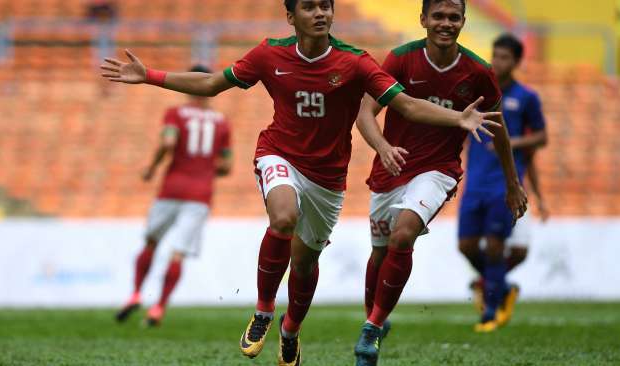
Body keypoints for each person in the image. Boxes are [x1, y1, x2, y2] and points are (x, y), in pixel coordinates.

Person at [101, 0, 501, 363]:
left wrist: (458, 118)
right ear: (291, 17)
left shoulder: (355, 62)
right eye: (309, 8)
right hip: (280, 154)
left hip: (328, 179)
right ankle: (262, 312)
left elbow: (406, 105)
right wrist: (150, 75)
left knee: (306, 261)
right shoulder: (268, 53)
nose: (320, 14)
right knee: (283, 218)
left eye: (325, 7)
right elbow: (212, 84)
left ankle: (290, 330)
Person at [352, 1, 528, 364]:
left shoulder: (478, 71)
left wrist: (513, 183)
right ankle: (376, 318)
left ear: (463, 21)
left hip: (438, 169)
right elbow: (365, 113)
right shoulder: (401, 60)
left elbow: (499, 131)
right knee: (380, 252)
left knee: (403, 235)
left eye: (454, 17)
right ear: (423, 20)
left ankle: (371, 327)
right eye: (439, 16)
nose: (446, 24)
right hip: (392, 167)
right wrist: (383, 146)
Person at [115, 65, 232, 326]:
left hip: (172, 187)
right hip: (200, 194)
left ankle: (135, 293)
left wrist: (151, 167)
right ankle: (158, 307)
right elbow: (226, 166)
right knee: (178, 253)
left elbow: (168, 142)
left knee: (151, 242)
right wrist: (204, 166)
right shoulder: (222, 123)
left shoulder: (175, 114)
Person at [458, 33, 548, 330]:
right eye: (495, 55)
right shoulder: (480, 95)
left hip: (503, 184)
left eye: (505, 57)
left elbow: (542, 137)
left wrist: (509, 141)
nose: (497, 62)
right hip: (474, 185)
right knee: (467, 246)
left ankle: (490, 312)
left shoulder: (526, 98)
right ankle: (499, 286)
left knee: (497, 247)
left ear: (517, 61)